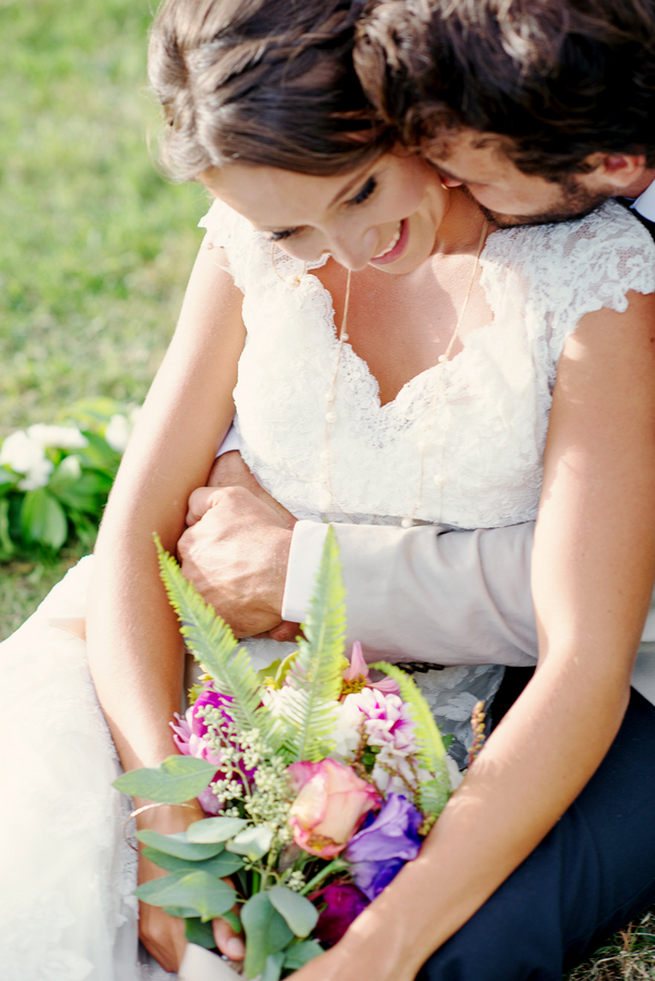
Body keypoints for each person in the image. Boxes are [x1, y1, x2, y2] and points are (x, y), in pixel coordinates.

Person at [1, 4, 654, 981]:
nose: (344, 250)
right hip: (180, 669)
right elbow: (136, 526)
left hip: (446, 712)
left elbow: (587, 651)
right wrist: (161, 802)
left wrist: (388, 946)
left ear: (413, 119)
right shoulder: (251, 233)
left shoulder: (591, 274)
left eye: (359, 191)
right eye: (290, 228)